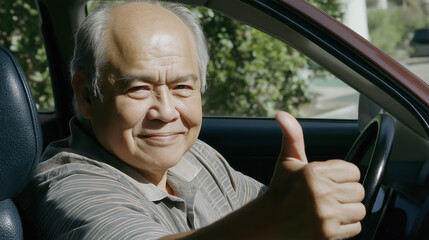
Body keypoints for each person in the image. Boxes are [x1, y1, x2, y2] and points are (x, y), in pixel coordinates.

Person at [19, 0, 365, 239]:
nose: (167, 112)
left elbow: (273, 209)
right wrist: (270, 221)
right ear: (86, 95)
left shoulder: (195, 155)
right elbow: (268, 217)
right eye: (138, 88)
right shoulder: (68, 182)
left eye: (183, 86)